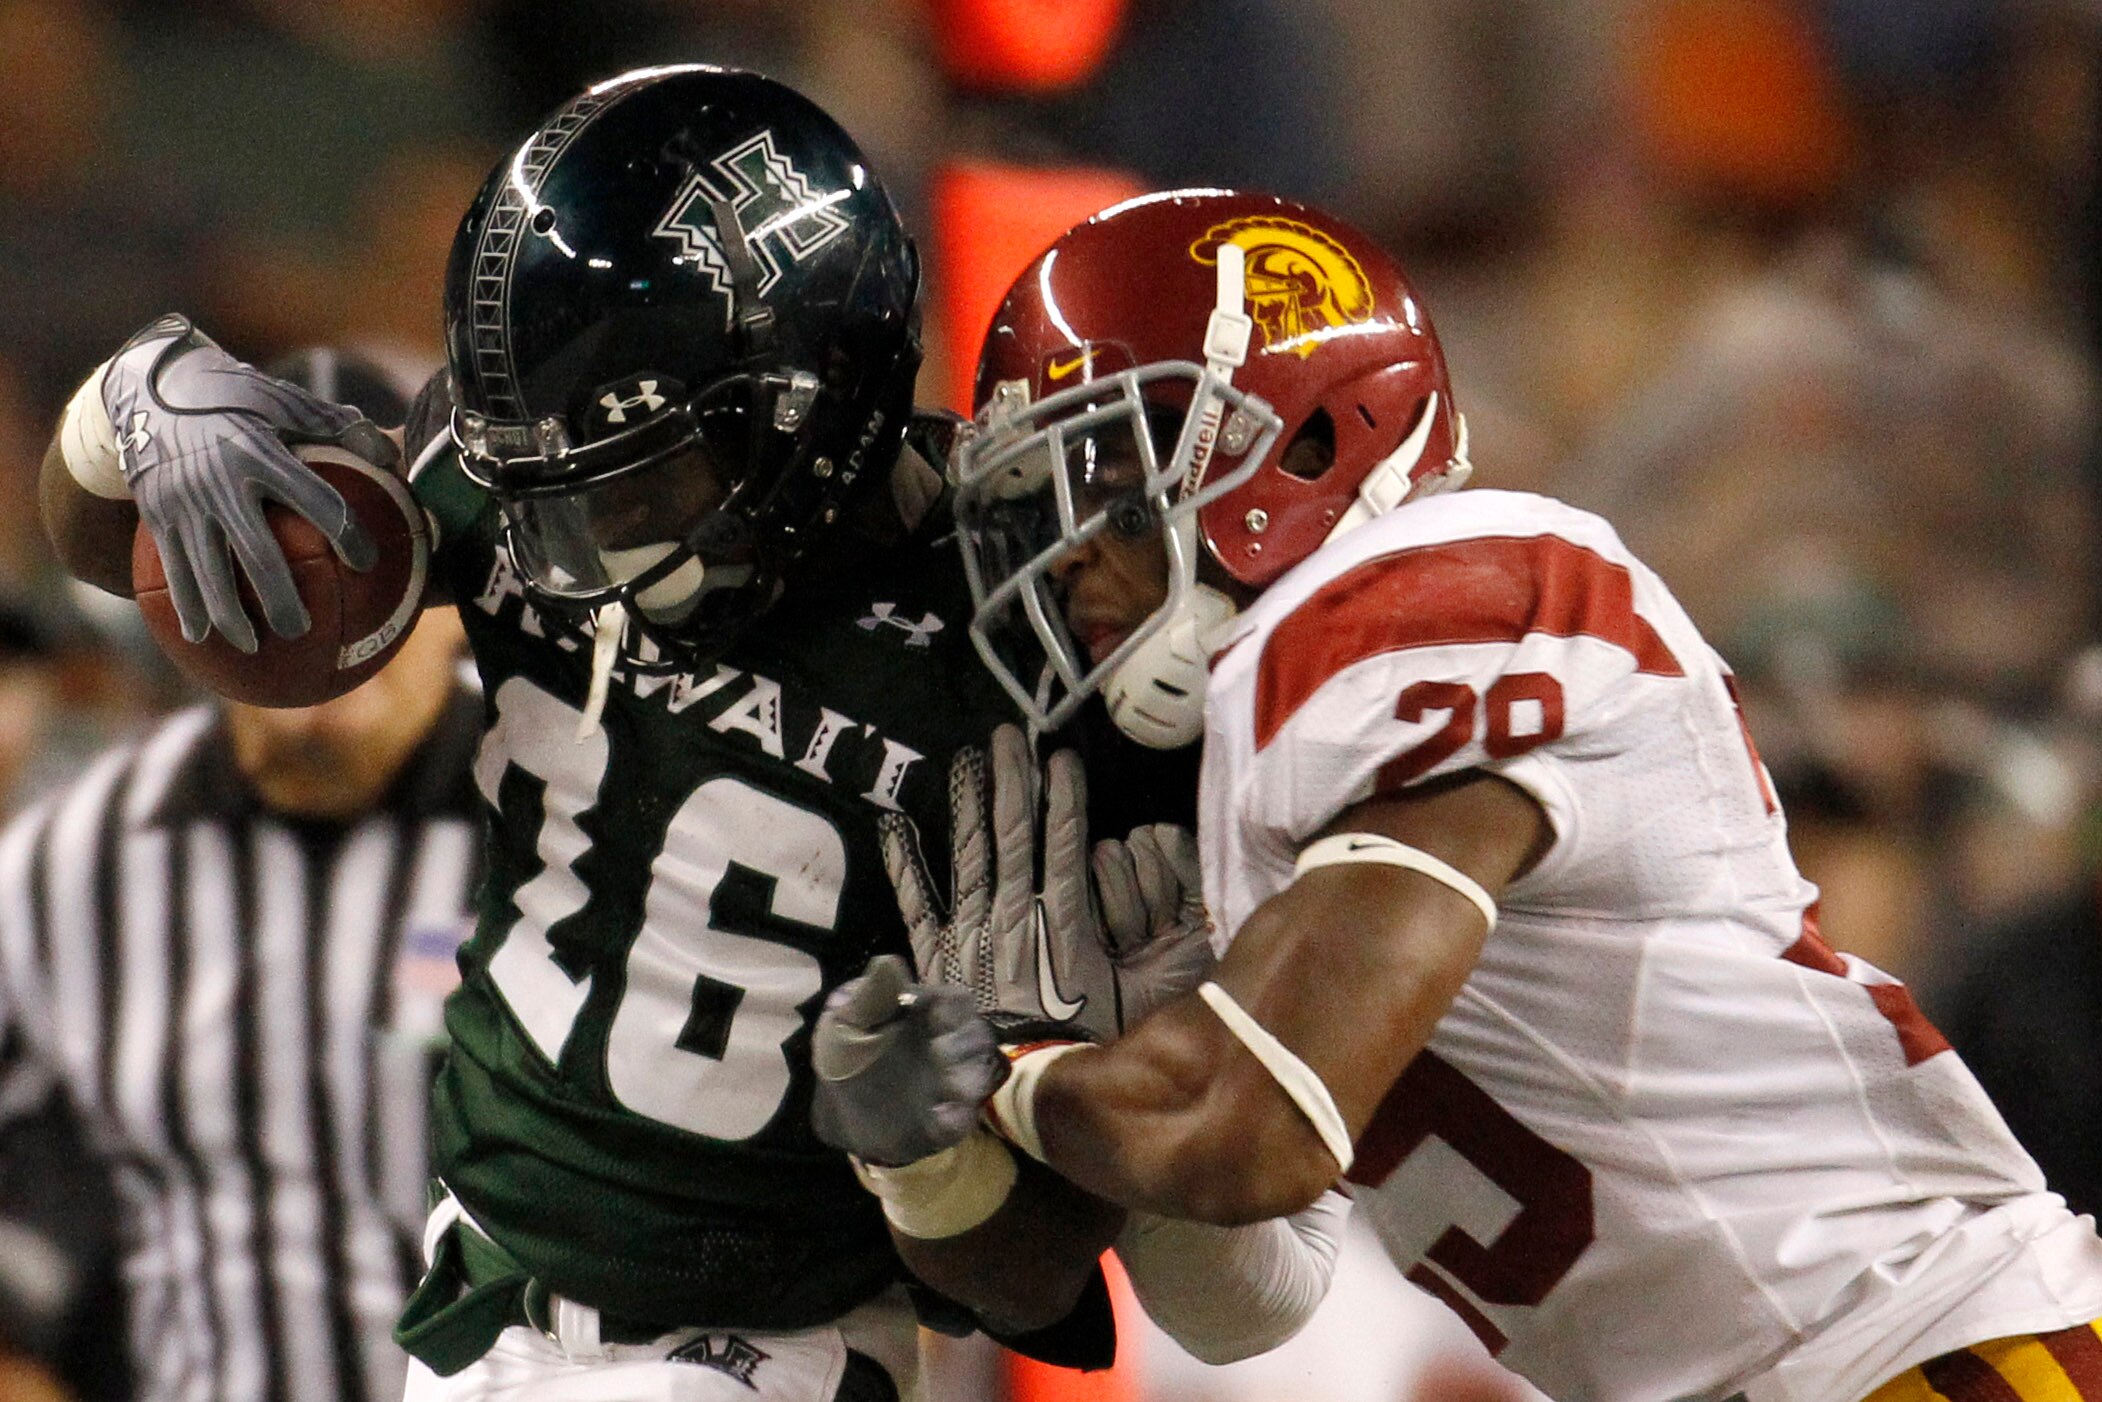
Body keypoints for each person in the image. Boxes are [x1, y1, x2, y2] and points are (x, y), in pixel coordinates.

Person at [38, 65, 1272, 1402]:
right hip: (476, 1305)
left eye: (640, 482)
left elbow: (1034, 1275)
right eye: (544, 488)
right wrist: (131, 413)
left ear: (807, 408)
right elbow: (137, 551)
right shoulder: (541, 464)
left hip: (768, 1350)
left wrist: (931, 1156)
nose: (568, 551)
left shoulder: (1017, 638)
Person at [809, 189, 2102, 1402]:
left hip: (1929, 1348)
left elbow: (1249, 1130)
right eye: (1035, 508)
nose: (1070, 555)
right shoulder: (1253, 768)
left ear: (1307, 437)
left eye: (1102, 483)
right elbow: (1242, 1300)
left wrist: (1015, 1070)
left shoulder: (1441, 589)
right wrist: (937, 1143)